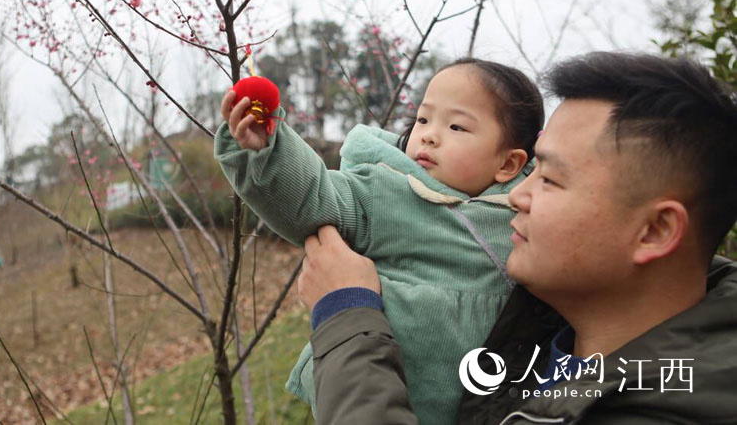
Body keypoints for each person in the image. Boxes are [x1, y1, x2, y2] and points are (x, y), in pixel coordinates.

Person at [299, 52, 737, 424]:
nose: (517, 197)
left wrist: (347, 317)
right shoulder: (535, 333)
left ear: (655, 231)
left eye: (549, 180)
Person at [214, 58, 544, 423]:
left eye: (456, 126)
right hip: (382, 386)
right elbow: (314, 198)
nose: (429, 135)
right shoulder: (384, 190)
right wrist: (268, 151)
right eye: (423, 119)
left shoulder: (527, 212)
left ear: (509, 164)